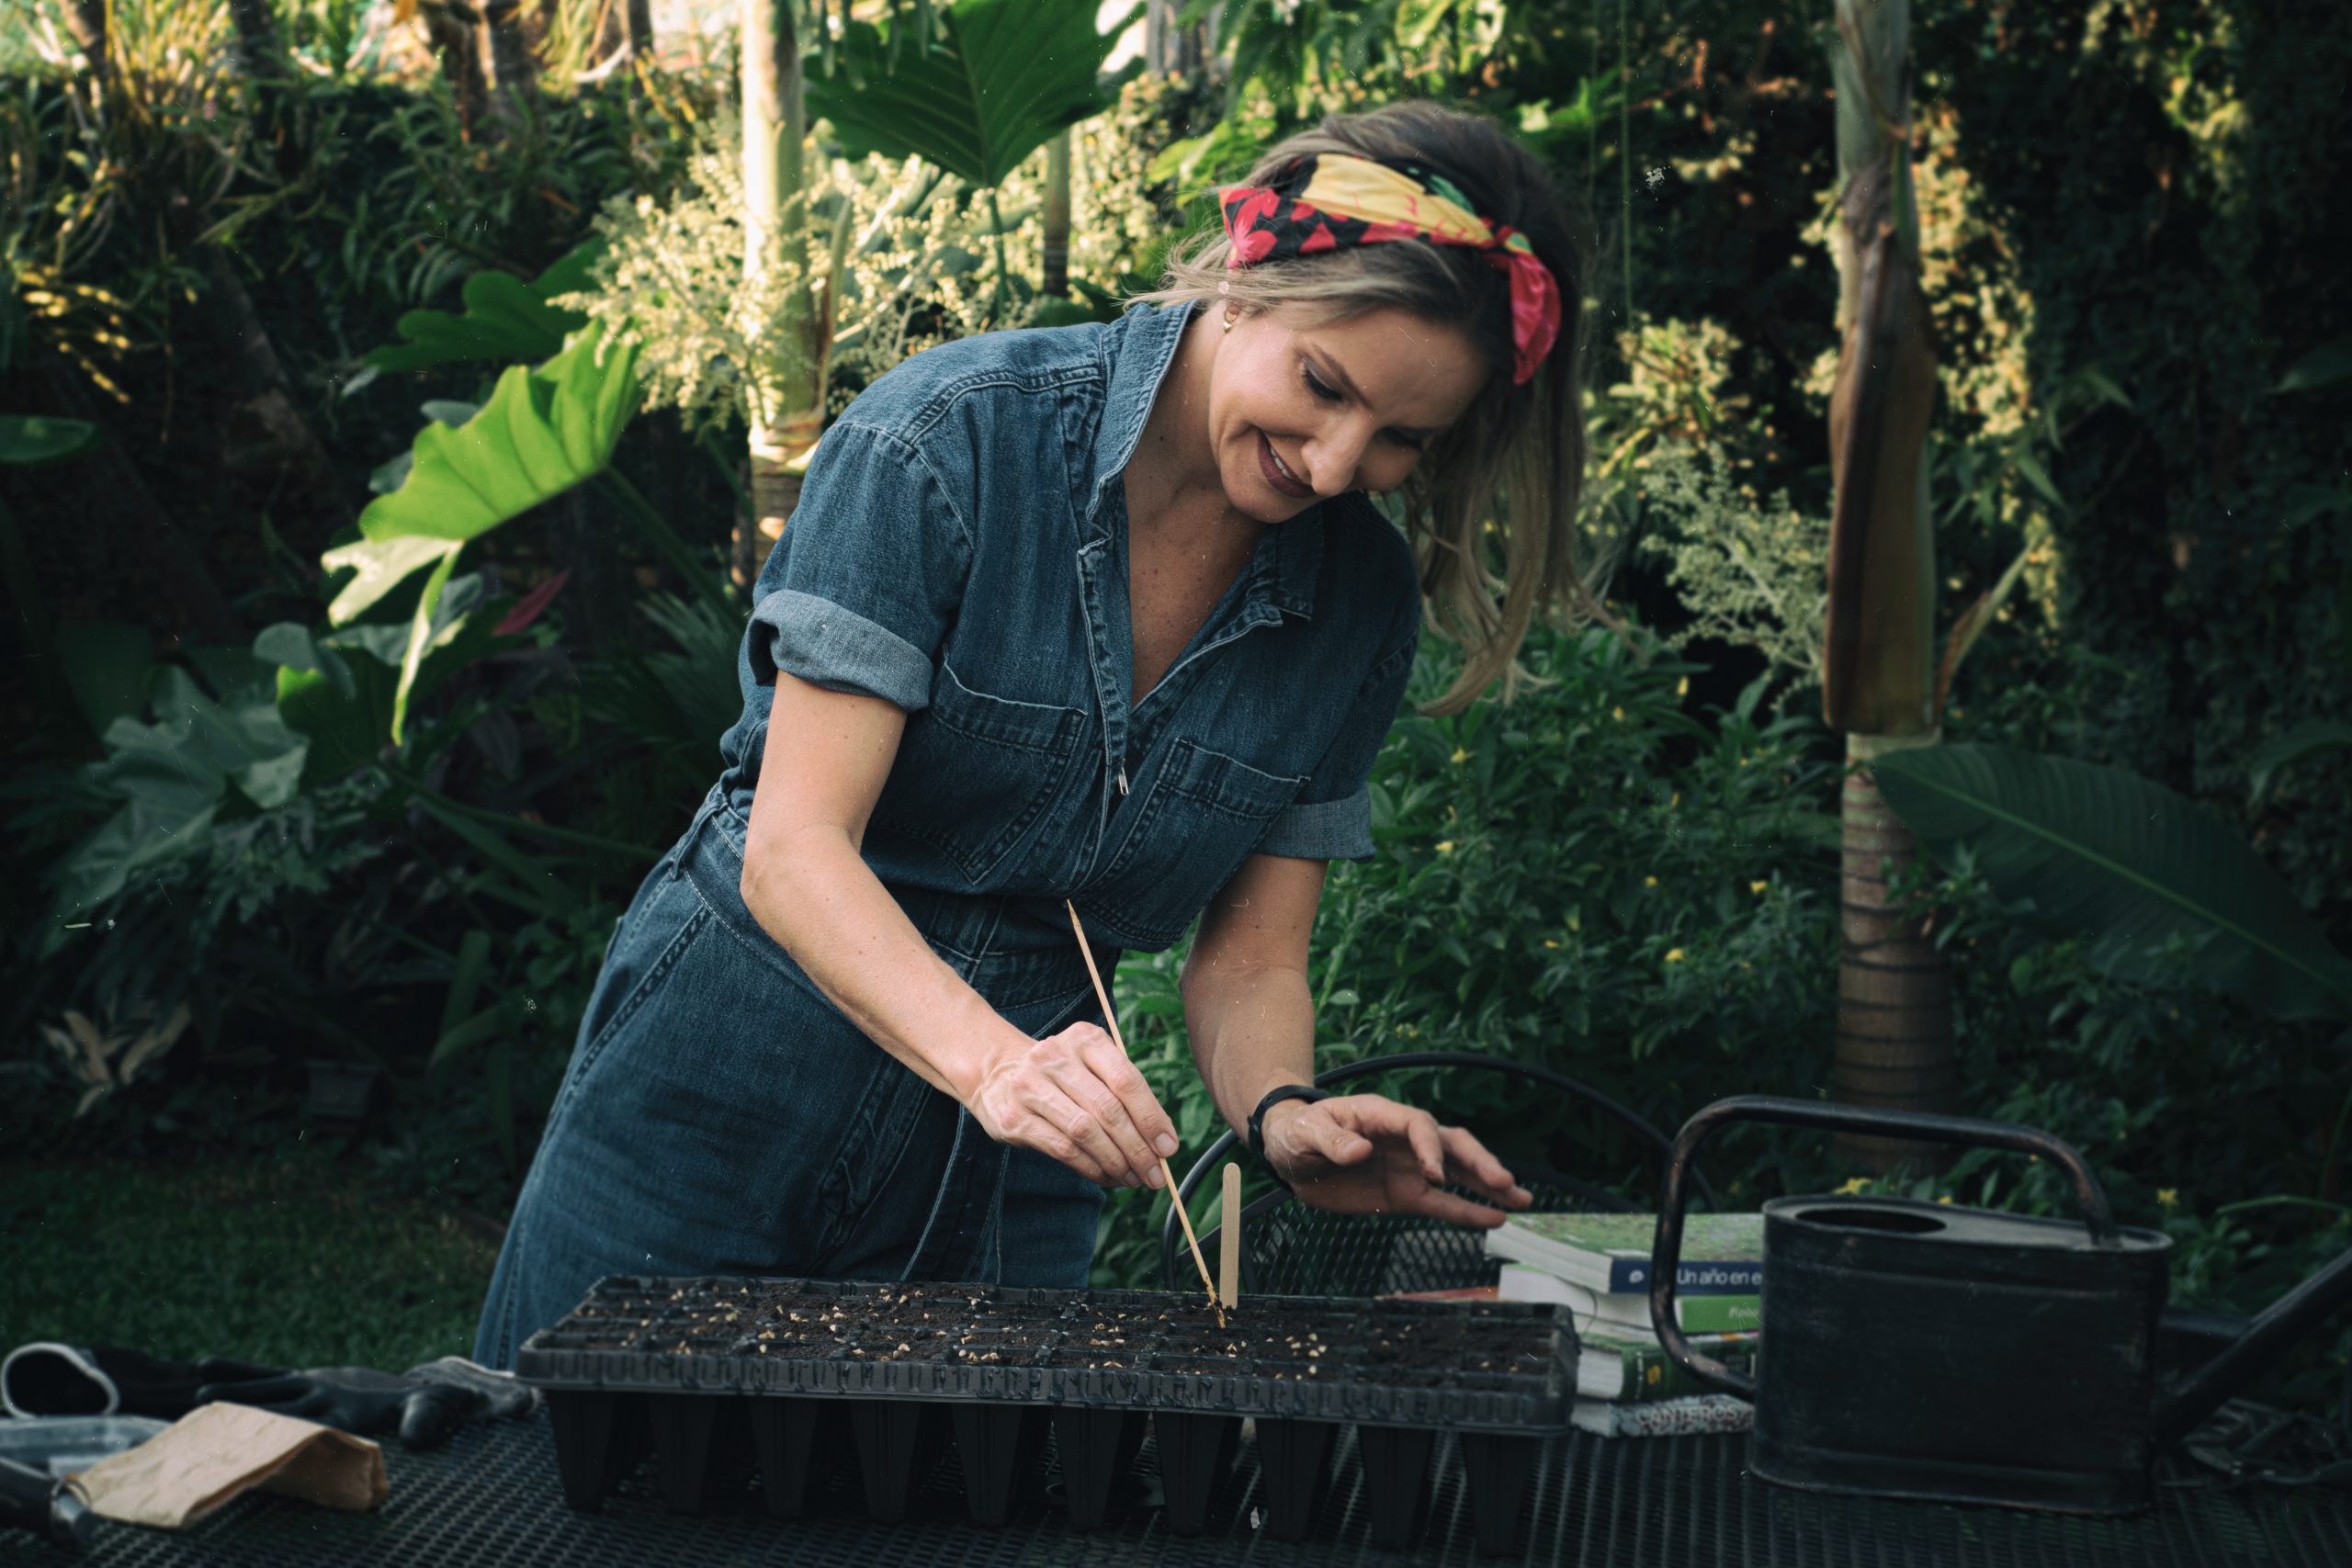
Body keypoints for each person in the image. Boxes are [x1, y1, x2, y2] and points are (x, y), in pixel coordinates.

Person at [473, 100, 1599, 1369]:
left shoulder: (1356, 603)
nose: (1339, 466)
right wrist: (995, 1065)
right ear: (1249, 277)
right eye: (1323, 387)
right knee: (556, 1482)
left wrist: (1282, 1114)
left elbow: (1249, 965)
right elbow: (792, 851)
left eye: (1403, 439)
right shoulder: (949, 441)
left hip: (1016, 1162)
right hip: (728, 1075)